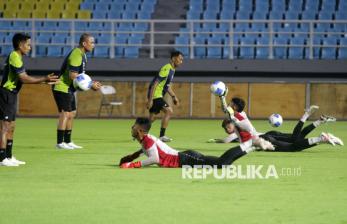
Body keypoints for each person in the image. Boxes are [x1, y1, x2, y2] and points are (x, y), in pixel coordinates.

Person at [0, 33, 59, 166]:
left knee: (12, 126)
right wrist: (43, 79)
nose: (30, 47)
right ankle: (2, 158)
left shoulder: (18, 57)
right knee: (5, 126)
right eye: (28, 44)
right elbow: (24, 78)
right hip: (6, 94)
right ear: (20, 45)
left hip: (12, 94)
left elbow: (24, 78)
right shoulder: (14, 56)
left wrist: (43, 82)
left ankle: (8, 156)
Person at [119, 118, 251, 168]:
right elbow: (146, 151)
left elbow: (154, 158)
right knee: (223, 164)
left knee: (221, 163)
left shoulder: (147, 140)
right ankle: (246, 148)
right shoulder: (146, 140)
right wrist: (132, 156)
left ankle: (246, 146)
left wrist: (132, 164)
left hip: (185, 158)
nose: (132, 128)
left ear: (141, 130)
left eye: (134, 126)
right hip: (185, 158)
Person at [207, 105, 344, 151]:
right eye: (226, 129)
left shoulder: (235, 132)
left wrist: (215, 140)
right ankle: (319, 123)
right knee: (296, 138)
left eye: (228, 127)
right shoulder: (239, 126)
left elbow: (227, 140)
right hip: (269, 135)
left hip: (267, 138)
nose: (228, 130)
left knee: (292, 146)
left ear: (231, 124)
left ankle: (319, 134)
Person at [52, 33, 101, 150]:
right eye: (92, 42)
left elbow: (81, 76)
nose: (93, 45)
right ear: (84, 43)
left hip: (69, 88)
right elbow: (73, 75)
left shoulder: (83, 55)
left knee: (72, 113)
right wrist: (90, 84)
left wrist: (91, 83)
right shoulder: (76, 54)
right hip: (62, 87)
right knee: (66, 113)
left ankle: (68, 141)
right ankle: (60, 143)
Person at [146, 51, 183, 142]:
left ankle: (139, 131)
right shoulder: (166, 69)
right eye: (180, 59)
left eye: (182, 60)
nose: (181, 61)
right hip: (155, 95)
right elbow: (155, 84)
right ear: (174, 58)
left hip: (157, 95)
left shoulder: (172, 70)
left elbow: (167, 85)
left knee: (152, 118)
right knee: (169, 111)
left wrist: (173, 96)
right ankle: (162, 136)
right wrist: (150, 100)